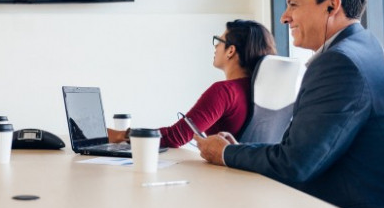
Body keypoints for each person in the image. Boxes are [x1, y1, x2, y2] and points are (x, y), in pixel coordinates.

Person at [197, 0, 384, 208]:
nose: (284, 17)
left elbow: (296, 164)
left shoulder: (339, 63)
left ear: (332, 6)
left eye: (293, 5)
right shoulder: (366, 46)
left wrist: (226, 153)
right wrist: (239, 150)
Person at [108, 20, 276, 148]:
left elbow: (176, 136)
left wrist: (119, 135)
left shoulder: (225, 91)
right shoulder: (259, 89)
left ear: (231, 51)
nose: (216, 46)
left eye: (219, 41)